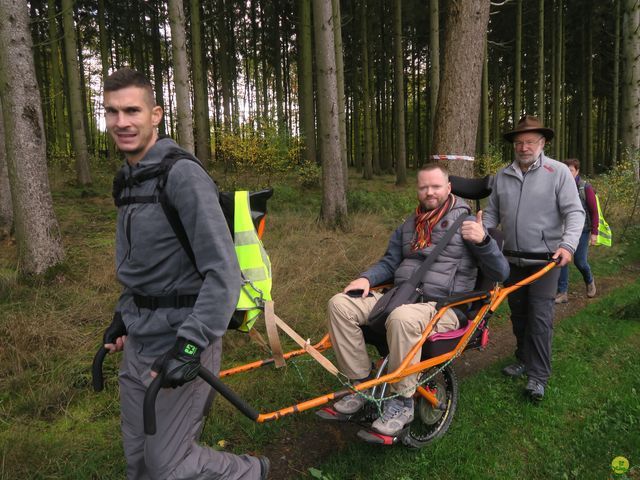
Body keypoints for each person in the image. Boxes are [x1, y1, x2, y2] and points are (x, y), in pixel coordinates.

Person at [101, 68, 269, 480]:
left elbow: (224, 273)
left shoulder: (183, 176)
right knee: (138, 458)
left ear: (155, 114)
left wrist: (190, 347)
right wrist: (124, 314)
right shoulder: (126, 179)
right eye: (111, 112)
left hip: (184, 335)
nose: (121, 122)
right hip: (140, 336)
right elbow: (142, 265)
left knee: (168, 463)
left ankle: (253, 472)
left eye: (132, 110)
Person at [327, 164, 509, 436]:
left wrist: (484, 242)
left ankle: (402, 402)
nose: (429, 192)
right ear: (417, 190)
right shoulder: (409, 225)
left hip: (444, 307)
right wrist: (367, 279)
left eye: (436, 187)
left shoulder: (469, 225)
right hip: (402, 295)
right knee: (339, 304)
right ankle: (363, 386)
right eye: (424, 187)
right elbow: (390, 262)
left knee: (402, 317)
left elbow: (500, 273)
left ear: (448, 188)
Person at [483, 115, 585, 401]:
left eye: (530, 141)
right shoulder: (502, 176)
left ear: (542, 143)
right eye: (519, 142)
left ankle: (538, 377)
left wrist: (567, 245)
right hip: (510, 260)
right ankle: (523, 359)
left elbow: (575, 213)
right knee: (518, 316)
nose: (524, 147)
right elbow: (491, 214)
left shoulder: (559, 172)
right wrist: (483, 237)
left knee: (540, 318)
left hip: (545, 262)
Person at [555, 158, 598, 304]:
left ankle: (589, 280)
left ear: (577, 171)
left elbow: (594, 212)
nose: (568, 173)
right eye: (565, 170)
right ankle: (562, 292)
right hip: (562, 230)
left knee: (580, 262)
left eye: (571, 170)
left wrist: (594, 233)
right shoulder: (558, 186)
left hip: (583, 231)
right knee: (562, 259)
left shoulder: (585, 187)